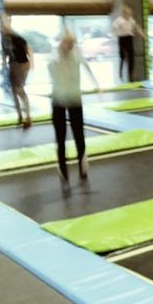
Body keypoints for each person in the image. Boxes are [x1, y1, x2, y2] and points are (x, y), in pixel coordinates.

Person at [48, 30, 99, 195]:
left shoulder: (76, 53)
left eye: (72, 44)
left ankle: (83, 171)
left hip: (75, 100)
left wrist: (95, 83)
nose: (70, 46)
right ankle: (64, 175)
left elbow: (86, 66)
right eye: (68, 43)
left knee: (79, 136)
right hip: (58, 101)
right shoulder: (54, 56)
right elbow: (52, 69)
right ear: (62, 42)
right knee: (61, 139)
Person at [0, 14, 33, 128]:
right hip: (13, 65)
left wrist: (31, 63)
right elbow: (4, 54)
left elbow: (28, 49)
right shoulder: (4, 39)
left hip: (21, 64)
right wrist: (4, 65)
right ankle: (20, 116)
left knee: (19, 89)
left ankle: (27, 116)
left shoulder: (17, 38)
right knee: (15, 91)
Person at [112, 6, 144, 82]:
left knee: (131, 57)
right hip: (122, 38)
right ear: (124, 13)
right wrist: (114, 36)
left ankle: (130, 75)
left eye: (130, 13)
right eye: (128, 13)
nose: (129, 14)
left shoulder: (131, 20)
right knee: (122, 57)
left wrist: (142, 34)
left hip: (129, 38)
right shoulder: (118, 20)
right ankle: (120, 73)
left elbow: (137, 27)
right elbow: (114, 29)